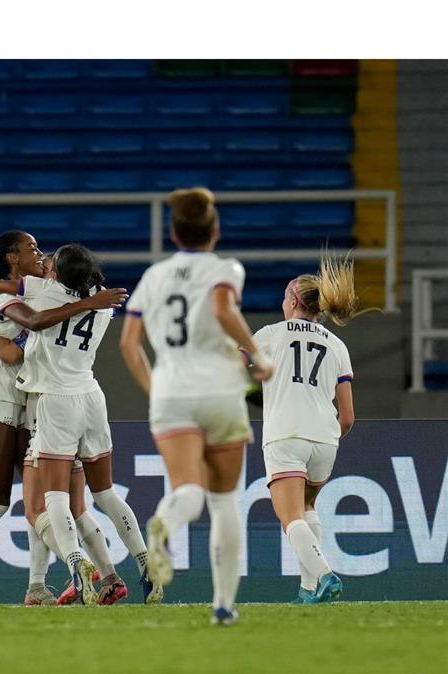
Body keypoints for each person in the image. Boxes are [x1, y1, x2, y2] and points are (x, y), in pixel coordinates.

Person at [0, 230, 125, 606]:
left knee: (43, 502)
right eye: (30, 249)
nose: (39, 253)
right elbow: (16, 354)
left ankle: (37, 586)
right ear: (11, 258)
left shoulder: (31, 292)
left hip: (33, 407)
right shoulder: (1, 299)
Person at [119, 187, 273, 626]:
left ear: (173, 232)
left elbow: (129, 345)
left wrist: (157, 391)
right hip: (220, 389)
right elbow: (223, 309)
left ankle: (165, 521)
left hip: (171, 392)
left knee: (187, 488)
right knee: (224, 502)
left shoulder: (153, 277)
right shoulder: (225, 269)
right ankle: (223, 607)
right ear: (215, 231)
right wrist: (257, 356)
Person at [0, 244, 163, 606]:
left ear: (56, 273)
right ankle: (145, 561)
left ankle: (76, 564)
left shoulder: (46, 292)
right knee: (105, 492)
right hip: (91, 396)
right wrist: (90, 298)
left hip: (56, 401)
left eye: (50, 261)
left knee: (55, 496)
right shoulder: (101, 301)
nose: (45, 261)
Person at [252, 253, 367, 603]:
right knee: (307, 510)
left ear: (291, 301)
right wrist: (328, 436)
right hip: (325, 440)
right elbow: (347, 416)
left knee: (290, 518)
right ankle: (306, 589)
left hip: (285, 436)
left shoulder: (270, 335)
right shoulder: (337, 345)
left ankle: (325, 574)